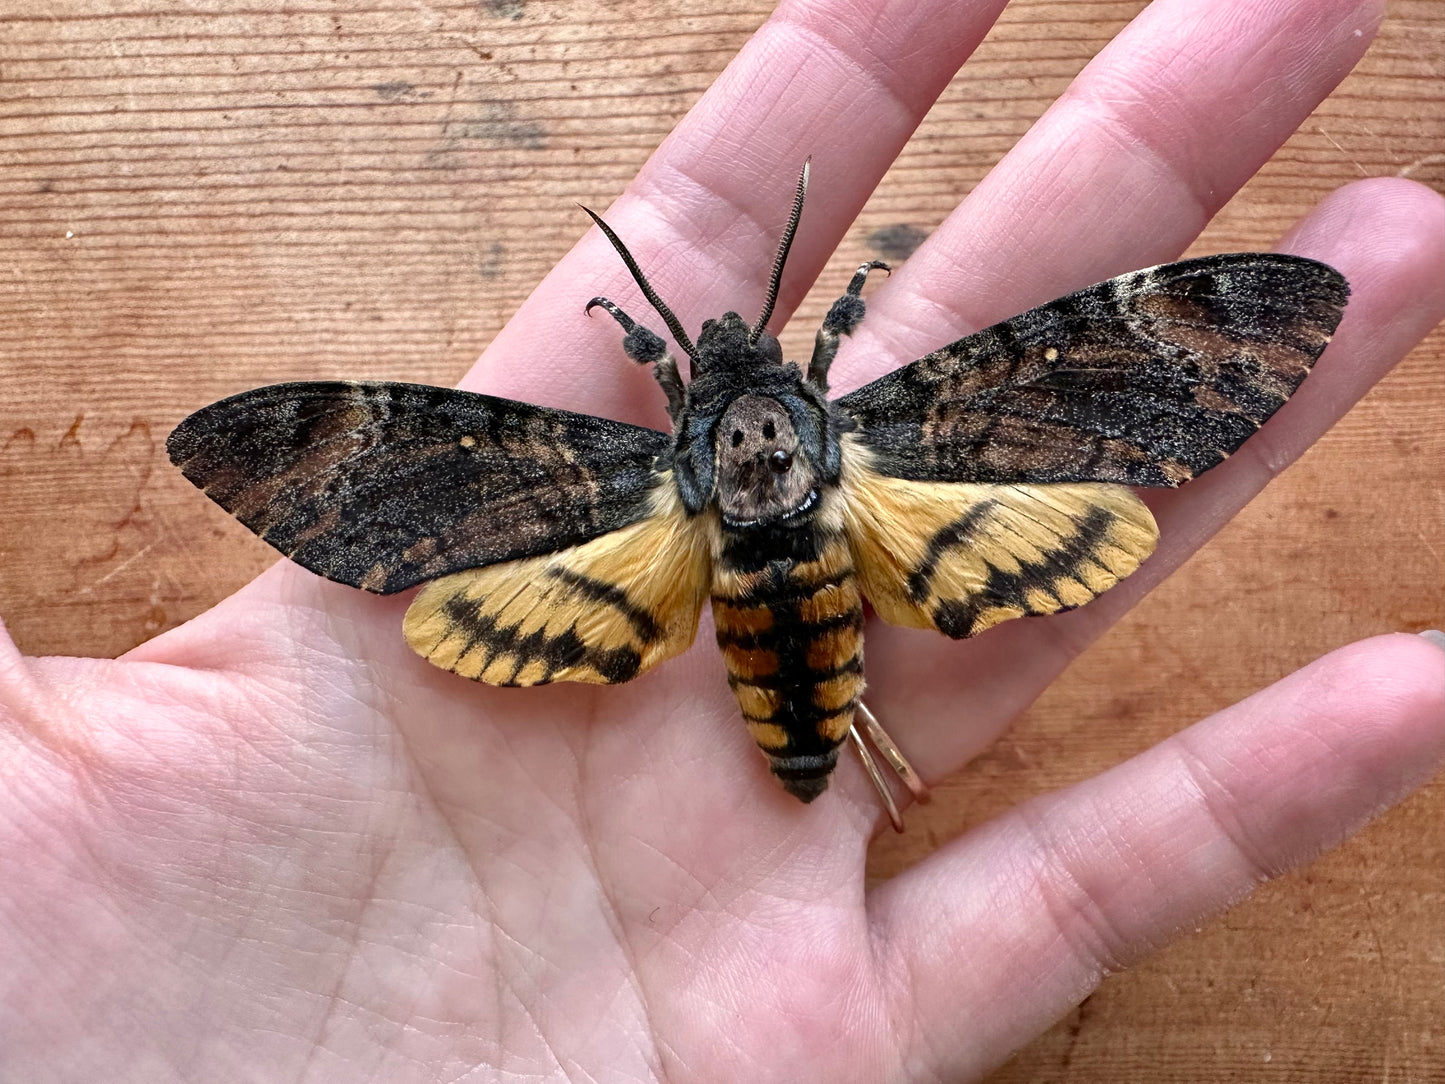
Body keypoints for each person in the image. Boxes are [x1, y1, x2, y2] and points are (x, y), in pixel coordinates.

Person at [2, 0, 1441, 1078]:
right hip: (897, 512)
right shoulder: (830, 387)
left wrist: (641, 341)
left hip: (645, 559)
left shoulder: (664, 419)